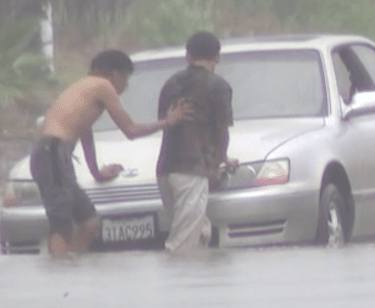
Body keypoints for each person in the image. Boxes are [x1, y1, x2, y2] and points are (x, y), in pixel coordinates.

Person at [31, 49, 192, 257]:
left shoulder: (83, 89)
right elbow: (130, 130)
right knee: (61, 224)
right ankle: (59, 274)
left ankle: (69, 268)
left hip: (54, 154)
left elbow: (85, 132)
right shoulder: (103, 86)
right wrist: (167, 122)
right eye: (126, 78)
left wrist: (96, 172)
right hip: (51, 151)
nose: (126, 85)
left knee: (90, 222)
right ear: (116, 75)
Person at [156, 31, 237, 253]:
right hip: (192, 172)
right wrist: (220, 160)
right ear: (217, 58)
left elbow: (165, 122)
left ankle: (198, 285)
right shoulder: (218, 86)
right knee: (182, 244)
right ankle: (176, 285)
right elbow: (221, 130)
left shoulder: (170, 83)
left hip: (165, 170)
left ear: (187, 55)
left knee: (199, 232)